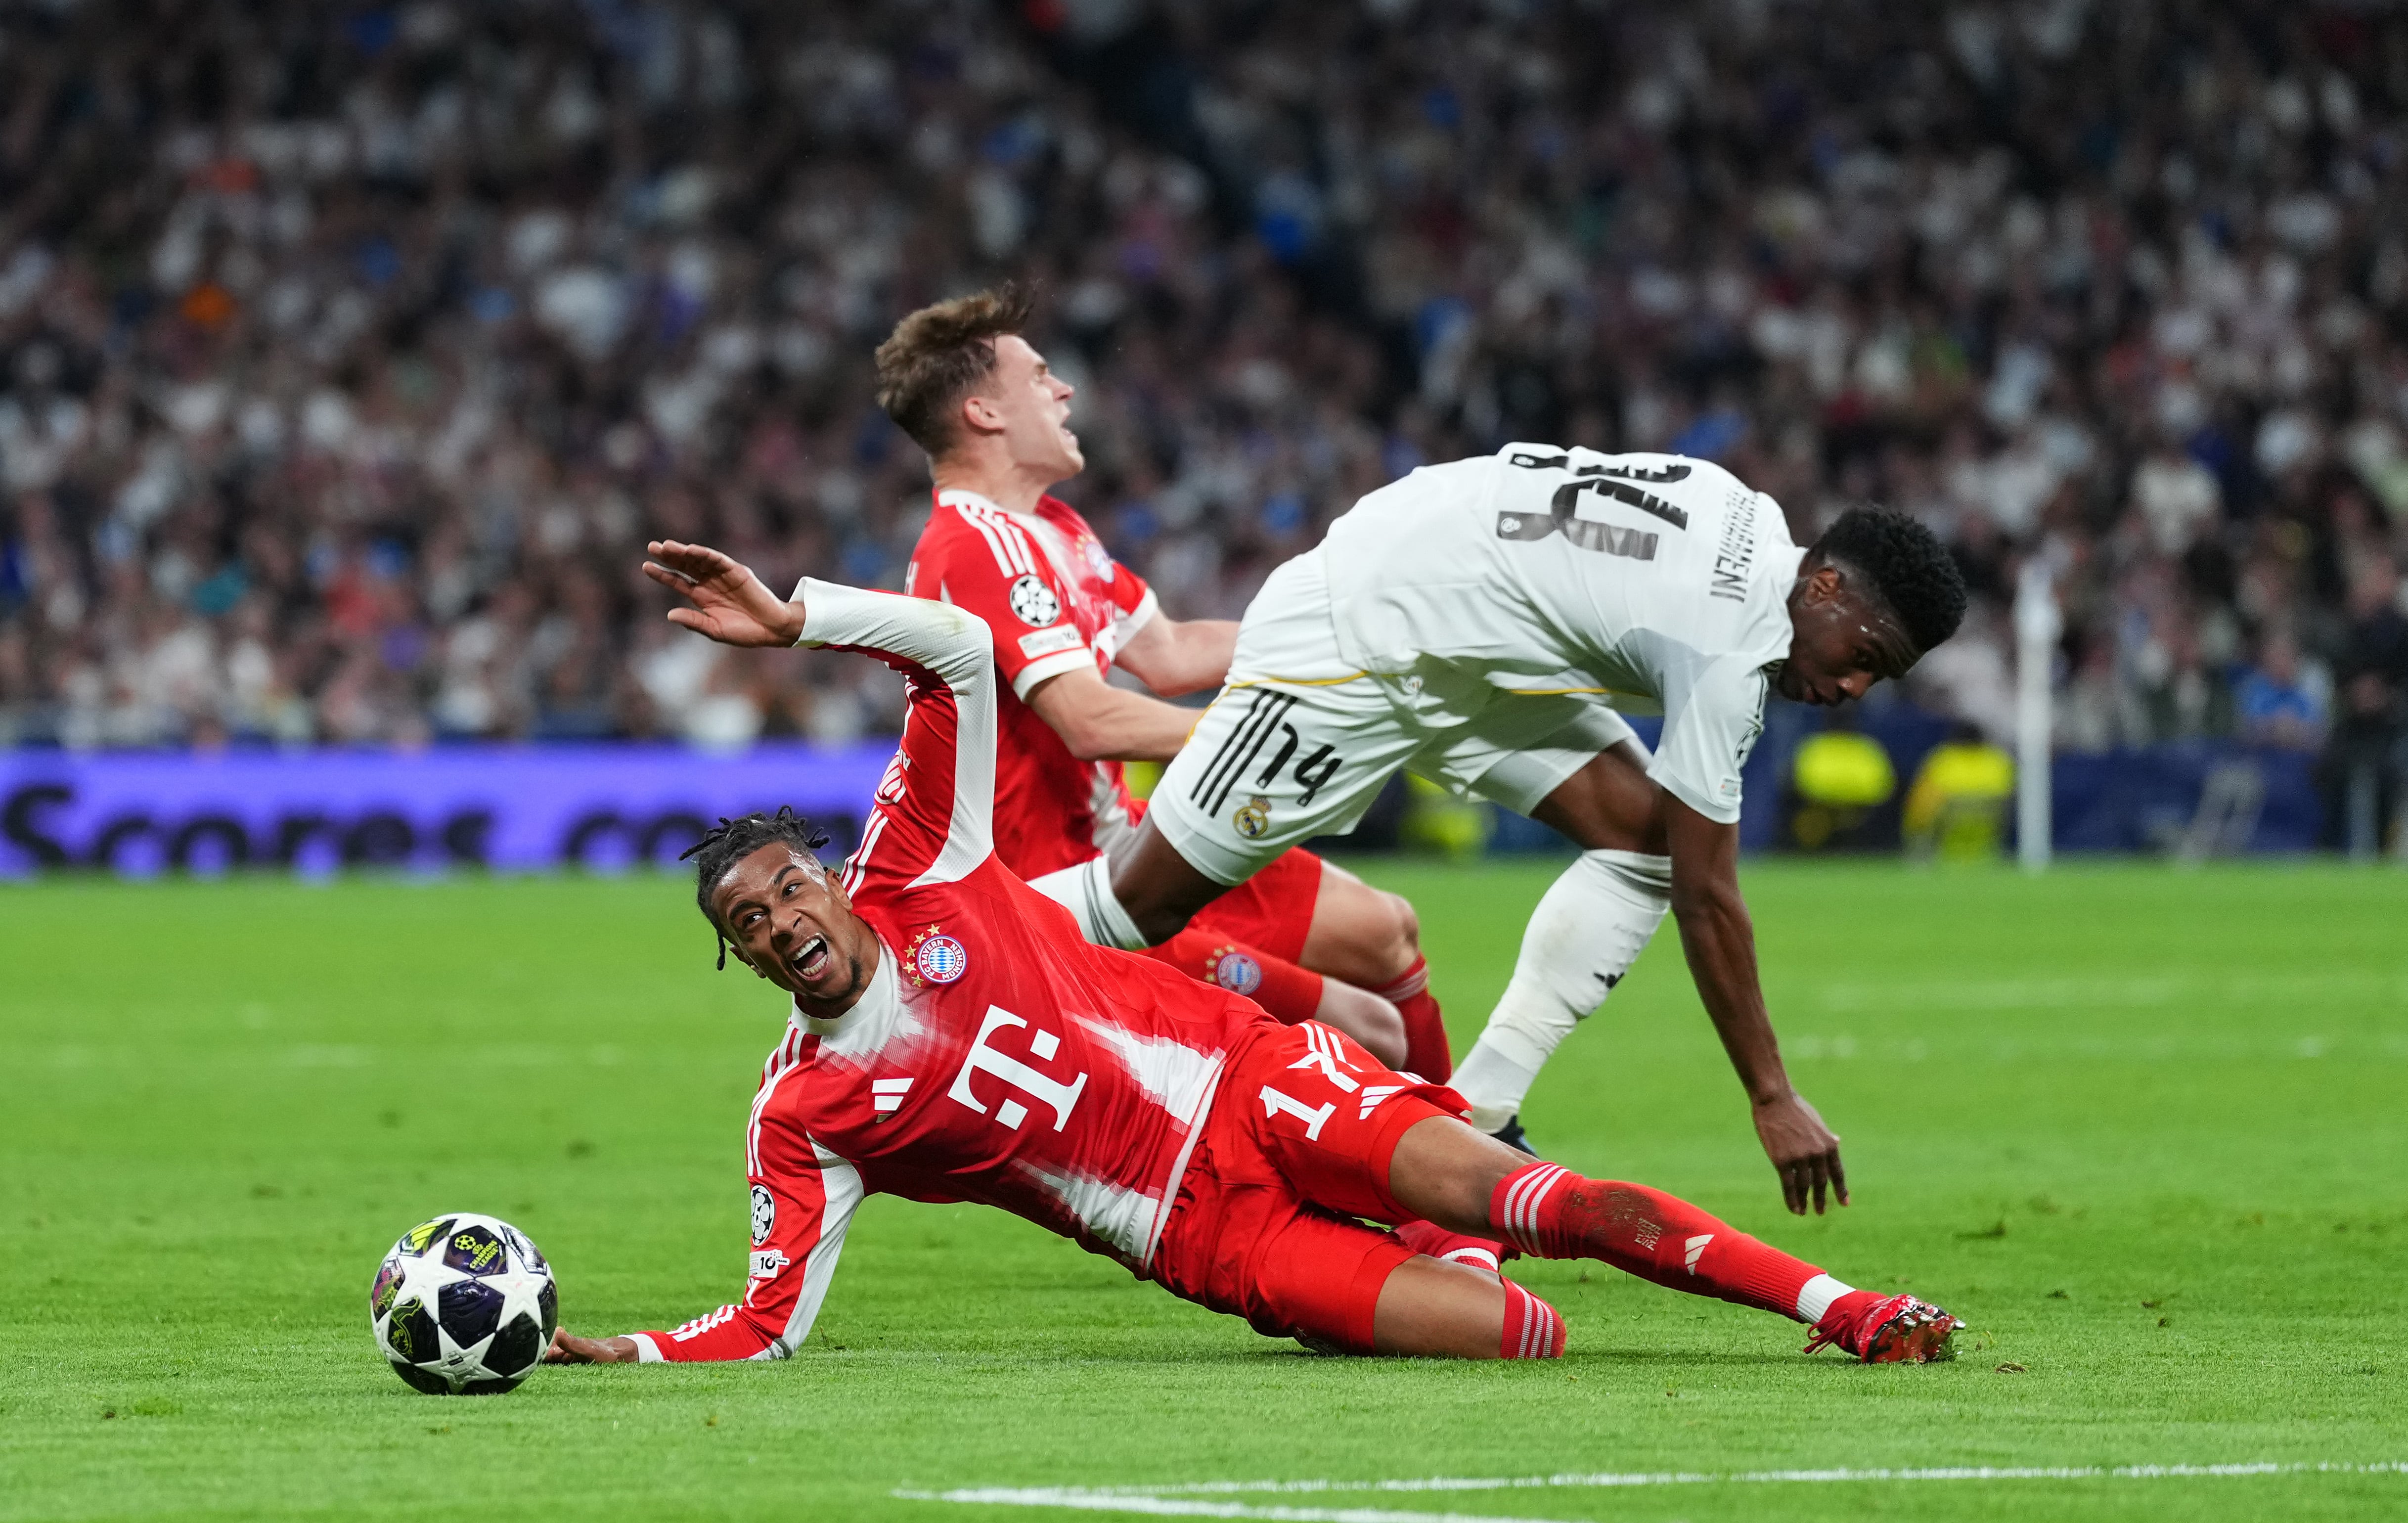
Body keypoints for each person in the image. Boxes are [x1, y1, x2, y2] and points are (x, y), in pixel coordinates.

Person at [540, 542, 1962, 1367]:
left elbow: (964, 652)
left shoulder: (923, 868)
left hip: (1256, 1086)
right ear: (745, 960)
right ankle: (1440, 1249)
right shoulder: (800, 1113)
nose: (784, 925)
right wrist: (635, 1354)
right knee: (1521, 1337)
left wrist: (802, 619)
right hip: (1207, 1239)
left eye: (787, 890)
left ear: (827, 878)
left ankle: (1844, 1309)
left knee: (1544, 1204)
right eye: (751, 927)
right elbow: (771, 1322)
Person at [1046, 445, 1966, 1208]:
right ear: (1827, 583)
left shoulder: (1749, 515)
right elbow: (1709, 898)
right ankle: (920, 926)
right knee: (1136, 908)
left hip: (1464, 637)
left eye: (1876, 681)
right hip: (1361, 642)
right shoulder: (1731, 648)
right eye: (1862, 657)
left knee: (1642, 839)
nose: (1850, 690)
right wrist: (1772, 1096)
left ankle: (1476, 1113)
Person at [875, 286, 1449, 1080]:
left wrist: (1349, 640)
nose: (1064, 388)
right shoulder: (969, 546)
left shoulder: (1055, 530)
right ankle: (1443, 1179)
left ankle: (1477, 1151)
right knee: (1370, 1033)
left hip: (1128, 833)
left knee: (1385, 929)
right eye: (1039, 375)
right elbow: (1086, 717)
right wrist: (1264, 731)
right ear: (984, 413)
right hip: (1059, 889)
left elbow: (1173, 651)